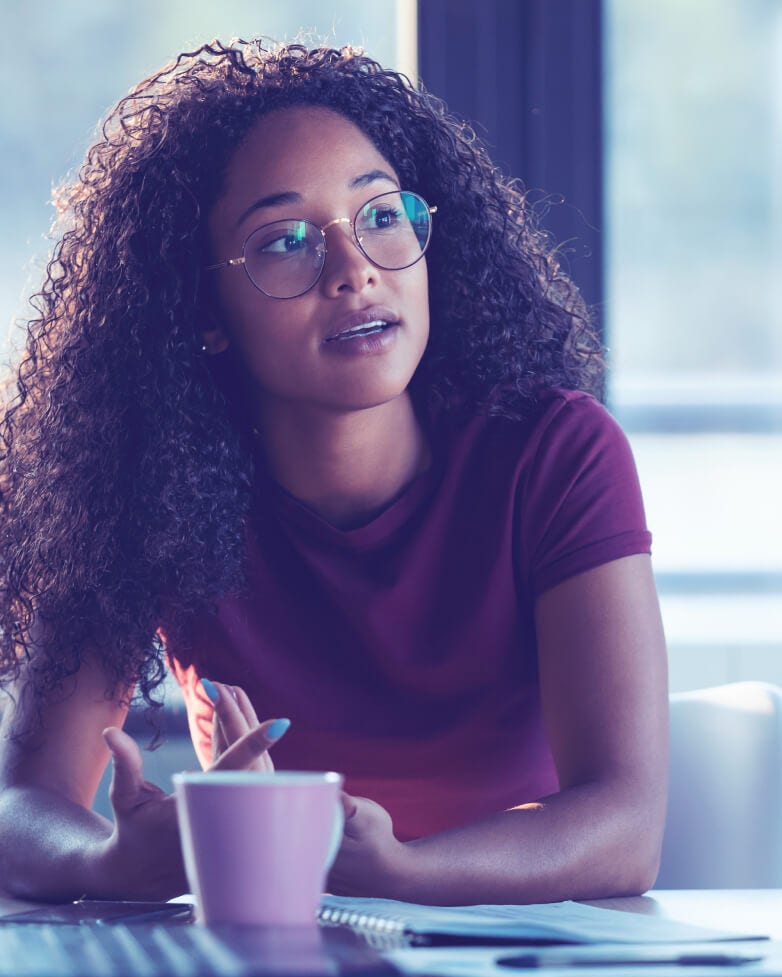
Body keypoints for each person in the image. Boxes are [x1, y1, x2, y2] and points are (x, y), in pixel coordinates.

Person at [0, 39, 668, 906]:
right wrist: (108, 864)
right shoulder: (140, 487)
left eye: (382, 216)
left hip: (537, 970)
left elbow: (626, 827)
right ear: (201, 309)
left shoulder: (555, 454)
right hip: (282, 967)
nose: (355, 271)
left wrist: (405, 873)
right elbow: (25, 803)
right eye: (285, 240)